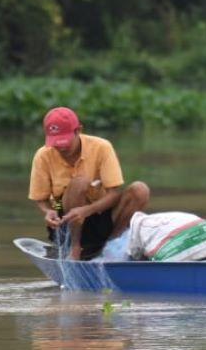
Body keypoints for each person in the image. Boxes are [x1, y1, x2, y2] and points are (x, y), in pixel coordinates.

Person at [28, 107, 150, 260]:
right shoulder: (43, 156)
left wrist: (87, 210)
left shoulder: (102, 147)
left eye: (65, 141)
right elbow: (41, 198)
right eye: (56, 143)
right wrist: (48, 211)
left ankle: (111, 246)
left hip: (101, 216)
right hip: (64, 218)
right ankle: (74, 248)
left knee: (140, 190)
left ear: (78, 130)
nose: (62, 147)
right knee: (79, 183)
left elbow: (114, 193)